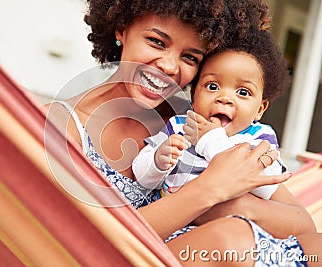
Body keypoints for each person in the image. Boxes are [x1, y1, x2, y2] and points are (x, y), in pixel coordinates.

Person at [46, 0, 322, 266]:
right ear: (122, 28)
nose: (168, 66)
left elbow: (301, 223)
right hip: (142, 255)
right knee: (229, 241)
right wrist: (208, 190)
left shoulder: (193, 120)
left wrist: (231, 205)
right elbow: (88, 243)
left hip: (232, 254)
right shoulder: (59, 125)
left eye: (190, 57)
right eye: (156, 41)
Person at [132, 29, 289, 202]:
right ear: (193, 96)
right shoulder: (178, 126)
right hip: (171, 221)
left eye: (243, 92)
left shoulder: (260, 137)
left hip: (227, 223)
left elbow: (266, 187)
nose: (225, 98)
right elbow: (142, 178)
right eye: (212, 86)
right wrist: (157, 163)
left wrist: (211, 141)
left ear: (260, 108)